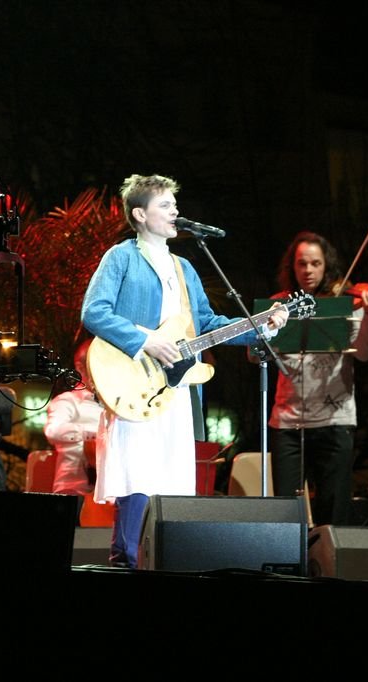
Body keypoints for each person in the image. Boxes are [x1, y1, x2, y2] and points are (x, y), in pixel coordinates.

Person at [81, 173, 289, 568]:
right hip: (131, 377)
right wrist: (143, 340)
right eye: (166, 205)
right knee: (137, 472)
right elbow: (94, 311)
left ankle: (163, 563)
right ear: (140, 214)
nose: (176, 211)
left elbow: (207, 326)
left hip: (173, 386)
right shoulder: (121, 257)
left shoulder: (185, 268)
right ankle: (123, 561)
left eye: (176, 205)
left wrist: (260, 325)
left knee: (170, 477)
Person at [265, 231, 368, 527]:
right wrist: (264, 330)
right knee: (286, 514)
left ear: (326, 265)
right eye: (302, 264)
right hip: (288, 423)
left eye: (315, 264)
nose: (308, 271)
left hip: (335, 420)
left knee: (333, 511)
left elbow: (363, 353)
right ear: (292, 268)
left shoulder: (346, 303)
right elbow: (255, 357)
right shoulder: (279, 305)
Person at [43, 338, 104, 517]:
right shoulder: (67, 401)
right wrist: (94, 434)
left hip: (109, 494)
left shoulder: (118, 406)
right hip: (75, 491)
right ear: (81, 367)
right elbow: (53, 431)